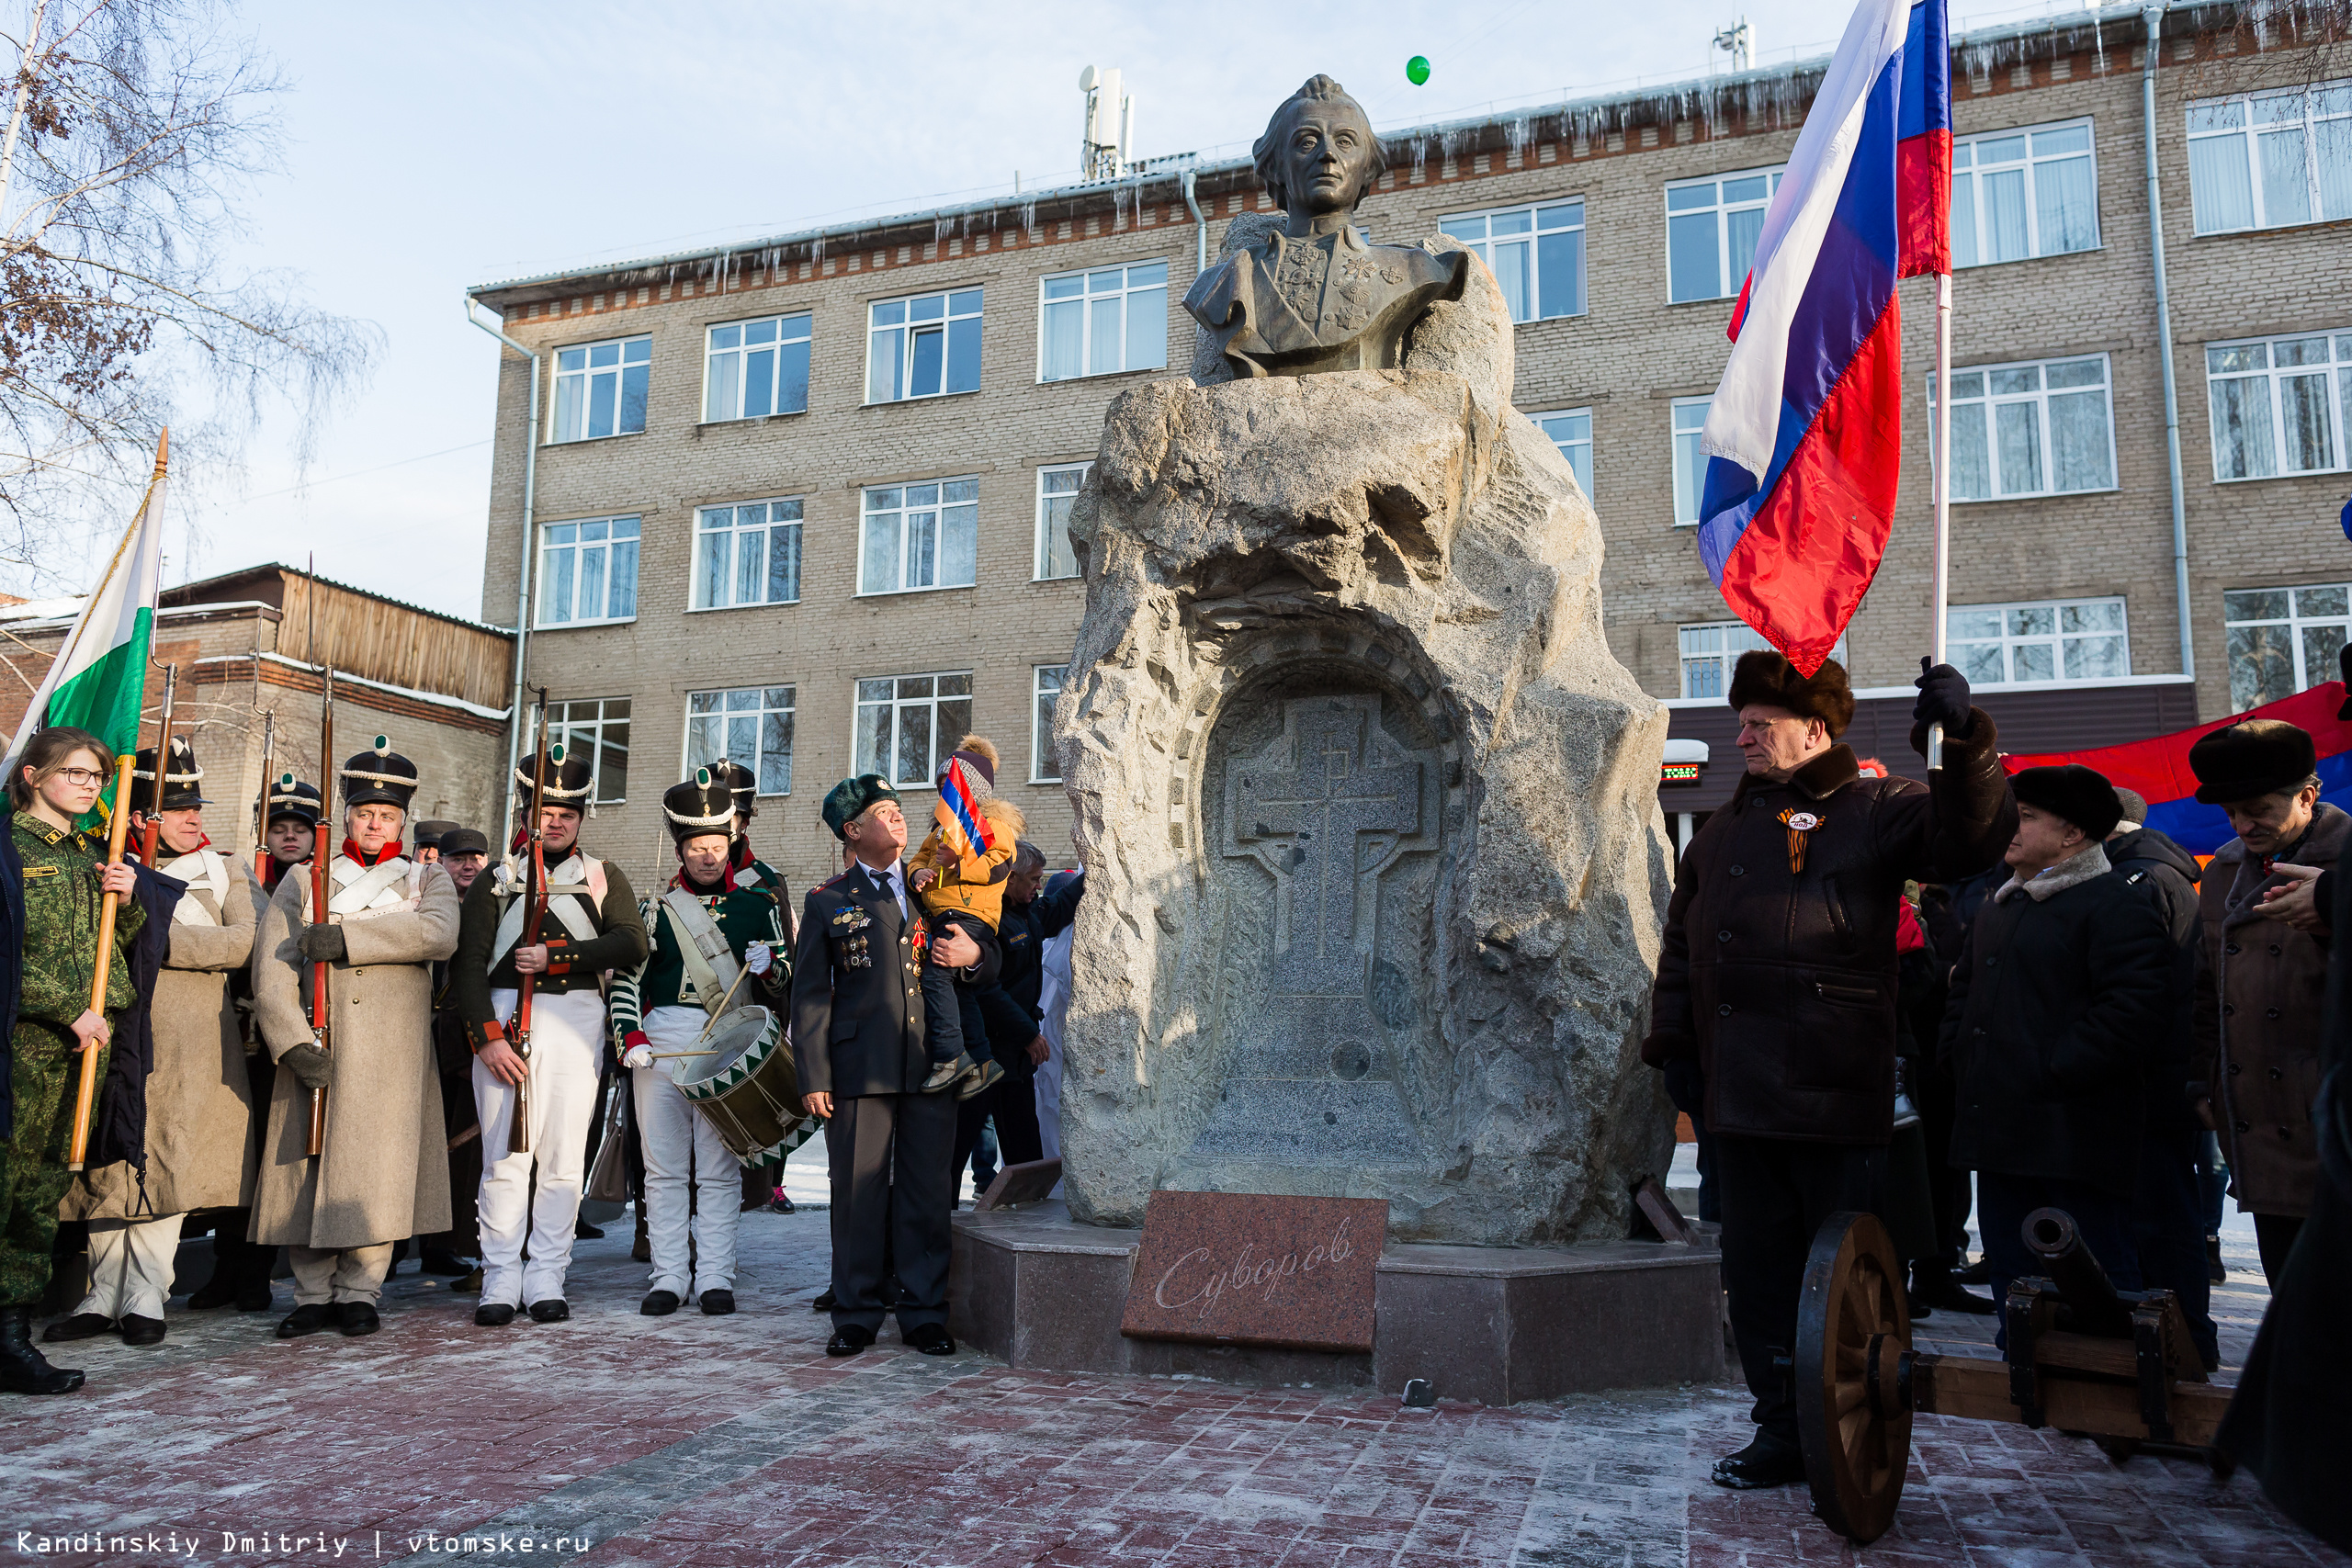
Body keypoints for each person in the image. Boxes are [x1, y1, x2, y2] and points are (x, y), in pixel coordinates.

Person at [1643, 651, 2012, 1491]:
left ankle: (1850, 1433)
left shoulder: (1877, 804)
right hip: (1737, 1098)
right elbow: (1679, 950)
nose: (1741, 737)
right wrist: (1676, 1051)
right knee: (1761, 1278)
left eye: (1759, 724)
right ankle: (1781, 1428)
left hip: (1831, 1091)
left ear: (1815, 728)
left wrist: (1963, 739)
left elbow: (1971, 840)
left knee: (1840, 1278)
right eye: (1740, 723)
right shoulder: (1729, 826)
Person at [49, 739, 259, 1348]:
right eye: (177, 806)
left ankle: (147, 1292)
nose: (195, 818)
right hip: (118, 1033)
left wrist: (159, 937)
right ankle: (102, 1292)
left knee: (170, 1163)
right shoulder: (102, 864)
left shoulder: (224, 869)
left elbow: (241, 942)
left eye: (197, 806)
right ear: (140, 816)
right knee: (112, 1163)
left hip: (194, 1040)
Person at [1941, 765, 2170, 1319]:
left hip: (2074, 1140)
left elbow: (2132, 1010)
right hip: (2001, 1132)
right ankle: (2024, 1386)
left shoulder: (2116, 900)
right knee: (2012, 1277)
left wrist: (2051, 1071)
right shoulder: (2005, 903)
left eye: (2025, 818)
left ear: (2072, 834)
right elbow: (1963, 993)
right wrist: (1961, 1057)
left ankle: (2109, 1398)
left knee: (2095, 1280)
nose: (2008, 830)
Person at [249, 737, 459, 1339]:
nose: (375, 824)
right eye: (365, 813)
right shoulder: (304, 877)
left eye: (387, 816)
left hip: (391, 1057)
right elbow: (273, 965)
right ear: (346, 818)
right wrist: (290, 1041)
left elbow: (439, 934)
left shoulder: (426, 878)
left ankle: (361, 1290)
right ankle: (311, 1294)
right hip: (320, 1045)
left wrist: (346, 939)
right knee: (309, 1172)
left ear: (401, 820)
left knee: (378, 1174)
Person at [790, 774, 986, 1358]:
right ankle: (856, 1312)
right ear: (852, 832)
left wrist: (975, 957)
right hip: (858, 1069)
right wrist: (815, 1076)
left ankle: (924, 1312)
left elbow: (987, 955)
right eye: (882, 812)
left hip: (933, 1065)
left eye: (899, 809)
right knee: (857, 1192)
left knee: (927, 1192)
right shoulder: (828, 900)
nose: (898, 819)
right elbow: (809, 996)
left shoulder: (939, 885)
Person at [451, 746, 646, 1326]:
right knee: (504, 1156)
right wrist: (487, 1037)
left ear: (581, 817)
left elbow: (631, 942)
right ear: (525, 813)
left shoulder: (602, 877)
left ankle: (546, 1275)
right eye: (544, 810)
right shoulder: (498, 878)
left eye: (566, 812)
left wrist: (558, 956)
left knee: (562, 1160)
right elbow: (469, 965)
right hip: (506, 1020)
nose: (554, 820)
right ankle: (501, 1275)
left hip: (578, 1018)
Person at [0, 728, 148, 1395]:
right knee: (5, 1187)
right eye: (76, 774)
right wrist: (66, 1006)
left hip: (82, 1050)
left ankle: (10, 1337)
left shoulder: (94, 851)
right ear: (33, 775)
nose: (90, 786)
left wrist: (127, 893)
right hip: (25, 1045)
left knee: (38, 1198)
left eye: (96, 776)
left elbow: (118, 944)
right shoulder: (7, 846)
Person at [607, 771, 788, 1316]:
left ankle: (714, 1277)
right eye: (696, 848)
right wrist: (630, 1036)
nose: (707, 857)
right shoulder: (655, 911)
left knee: (717, 1169)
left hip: (727, 1041)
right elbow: (626, 982)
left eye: (716, 845)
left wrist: (772, 965)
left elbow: (783, 983)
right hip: (660, 1044)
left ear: (730, 841)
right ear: (681, 850)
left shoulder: (760, 906)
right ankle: (668, 1277)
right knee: (662, 1170)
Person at [2188, 718, 2339, 1285]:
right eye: (2230, 812)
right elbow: (2206, 986)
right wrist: (2200, 1081)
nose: (2241, 825)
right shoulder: (2224, 871)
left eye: (2256, 809)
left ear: (2306, 795)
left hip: (2328, 1123)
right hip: (2258, 1124)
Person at [189, 774, 322, 1313]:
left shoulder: (321, 883)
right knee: (233, 1156)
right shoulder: (235, 875)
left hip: (288, 1038)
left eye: (300, 829)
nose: (290, 837)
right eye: (279, 827)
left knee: (274, 1158)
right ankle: (226, 1270)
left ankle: (255, 1275)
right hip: (233, 1035)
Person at [2105, 785, 2221, 1367]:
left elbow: (2148, 996)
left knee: (2163, 1223)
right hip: (2157, 1082)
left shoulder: (2142, 881)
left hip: (2150, 1086)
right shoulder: (2150, 875)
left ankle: (2185, 1351)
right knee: (2161, 1217)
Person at [907, 736, 1021, 1100]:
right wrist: (917, 876)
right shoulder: (940, 829)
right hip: (946, 911)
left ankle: (951, 1056)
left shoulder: (990, 825)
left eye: (950, 787)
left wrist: (960, 862)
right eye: (941, 788)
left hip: (971, 913)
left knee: (937, 976)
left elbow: (1000, 865)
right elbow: (920, 860)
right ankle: (984, 1060)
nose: (944, 795)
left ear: (970, 791)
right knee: (958, 987)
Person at [707, 758, 794, 1213]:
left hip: (746, 1025)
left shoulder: (766, 882)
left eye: (732, 817)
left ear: (743, 820)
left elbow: (785, 972)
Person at [969, 840, 1087, 1173]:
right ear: (1009, 878)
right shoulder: (987, 922)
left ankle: (1026, 1215)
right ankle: (942, 1220)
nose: (1039, 886)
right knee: (962, 1140)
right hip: (986, 1052)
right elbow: (988, 992)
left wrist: (1090, 868)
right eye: (1033, 879)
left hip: (1016, 1059)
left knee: (1025, 1152)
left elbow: (1059, 906)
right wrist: (1028, 1035)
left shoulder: (1028, 912)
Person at [422, 825, 491, 1284]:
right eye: (457, 859)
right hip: (424, 1045)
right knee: (426, 1150)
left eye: (476, 858)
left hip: (471, 1047)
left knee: (471, 1153)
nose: (468, 866)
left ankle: (472, 1250)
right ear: (438, 866)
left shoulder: (495, 910)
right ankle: (427, 1245)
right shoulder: (423, 906)